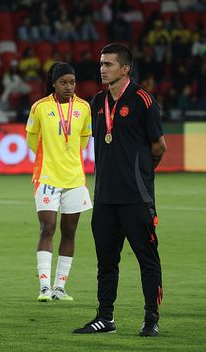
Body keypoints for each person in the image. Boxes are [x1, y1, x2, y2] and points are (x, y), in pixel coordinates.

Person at [73, 43, 166, 336]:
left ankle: (151, 319)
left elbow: (159, 147)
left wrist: (140, 176)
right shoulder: (97, 101)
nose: (102, 69)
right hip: (105, 198)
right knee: (106, 262)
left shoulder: (142, 100)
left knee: (147, 260)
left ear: (125, 68)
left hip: (135, 198)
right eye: (101, 63)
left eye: (109, 64)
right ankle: (105, 318)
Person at [26, 63, 92, 303]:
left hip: (74, 178)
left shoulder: (84, 107)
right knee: (48, 228)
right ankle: (44, 286)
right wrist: (51, 158)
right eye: (63, 82)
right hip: (47, 176)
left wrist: (68, 156)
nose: (69, 87)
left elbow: (84, 138)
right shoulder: (40, 107)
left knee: (70, 231)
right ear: (53, 83)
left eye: (72, 82)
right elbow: (32, 139)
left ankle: (59, 287)